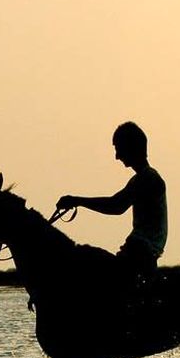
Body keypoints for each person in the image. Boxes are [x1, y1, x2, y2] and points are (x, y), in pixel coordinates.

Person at [56, 121, 167, 285]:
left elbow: (116, 205)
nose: (117, 156)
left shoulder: (147, 179)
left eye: (118, 149)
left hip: (139, 254)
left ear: (131, 148)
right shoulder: (143, 178)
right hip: (139, 253)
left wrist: (76, 201)